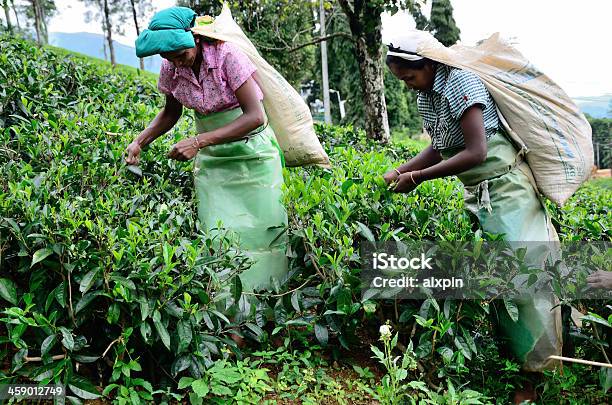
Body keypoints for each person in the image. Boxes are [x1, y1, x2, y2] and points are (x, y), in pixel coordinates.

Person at [382, 31, 562, 404]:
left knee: (525, 283)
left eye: (410, 76)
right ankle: (518, 365)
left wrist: (415, 179)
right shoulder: (426, 93)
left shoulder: (460, 81)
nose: (407, 84)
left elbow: (477, 151)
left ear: (428, 64)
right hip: (480, 196)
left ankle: (540, 376)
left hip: (507, 190)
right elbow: (442, 145)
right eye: (401, 79)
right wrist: (402, 170)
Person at [125, 7, 288, 293]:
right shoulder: (172, 68)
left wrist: (198, 142)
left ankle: (270, 306)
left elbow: (255, 117)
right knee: (218, 235)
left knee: (264, 235)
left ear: (195, 37)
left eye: (179, 52)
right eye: (166, 55)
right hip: (214, 163)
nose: (175, 60)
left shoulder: (228, 56)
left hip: (254, 155)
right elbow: (170, 112)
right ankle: (232, 313)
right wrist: (140, 141)